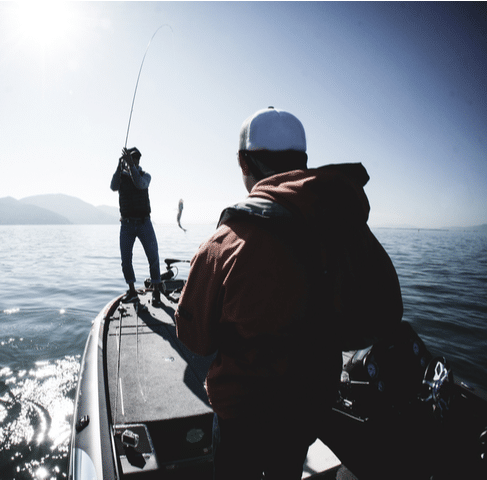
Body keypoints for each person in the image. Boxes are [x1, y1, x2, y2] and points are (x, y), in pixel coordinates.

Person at [175, 107, 403, 479]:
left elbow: (195, 340)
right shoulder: (344, 227)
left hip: (240, 418)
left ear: (242, 161)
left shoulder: (222, 245)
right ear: (302, 163)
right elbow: (386, 311)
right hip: (307, 412)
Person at [111, 147, 163, 303]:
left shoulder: (145, 175)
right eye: (129, 159)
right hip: (126, 224)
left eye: (133, 159)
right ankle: (132, 291)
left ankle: (156, 292)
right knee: (126, 260)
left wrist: (131, 167)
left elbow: (140, 184)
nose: (131, 162)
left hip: (144, 223)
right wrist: (118, 167)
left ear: (137, 161)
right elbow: (113, 187)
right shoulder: (121, 177)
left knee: (153, 257)